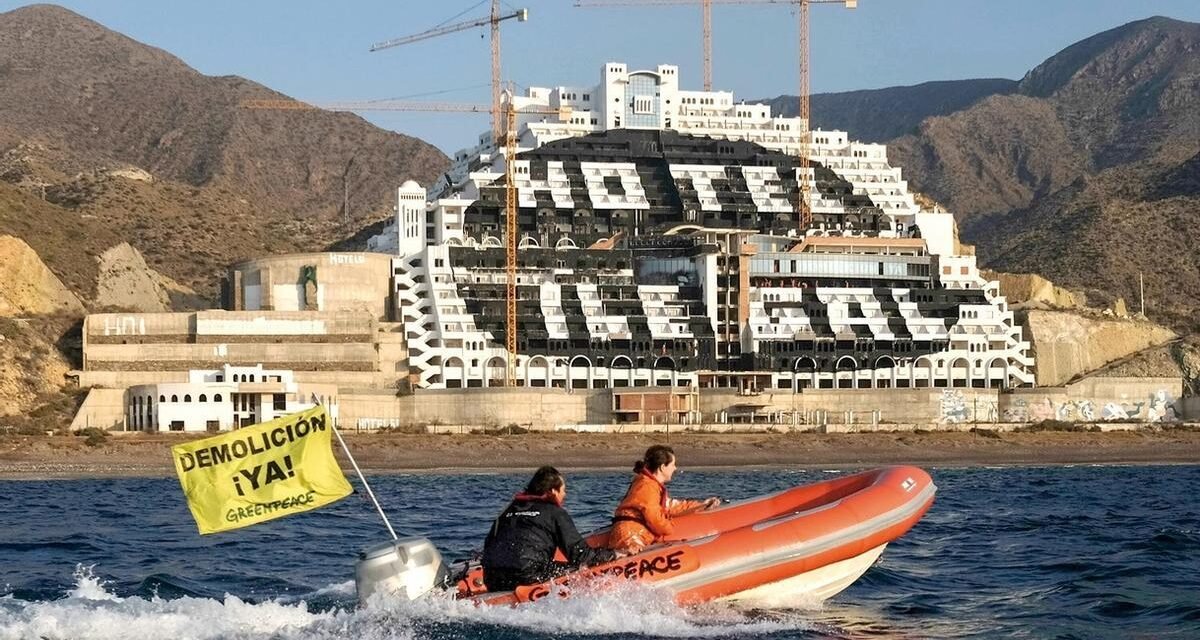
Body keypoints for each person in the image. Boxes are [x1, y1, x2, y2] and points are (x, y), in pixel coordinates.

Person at [481, 465, 619, 591]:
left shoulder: (506, 511)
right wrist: (613, 554)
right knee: (580, 569)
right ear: (553, 491)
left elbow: (488, 546)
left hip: (492, 579)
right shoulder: (554, 513)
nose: (565, 494)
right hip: (528, 576)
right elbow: (580, 555)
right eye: (563, 490)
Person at [607, 445, 720, 555]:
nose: (675, 468)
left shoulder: (650, 485)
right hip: (630, 535)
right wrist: (669, 527)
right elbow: (654, 517)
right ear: (662, 467)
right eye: (673, 465)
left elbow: (670, 506)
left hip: (632, 532)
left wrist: (701, 505)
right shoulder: (647, 486)